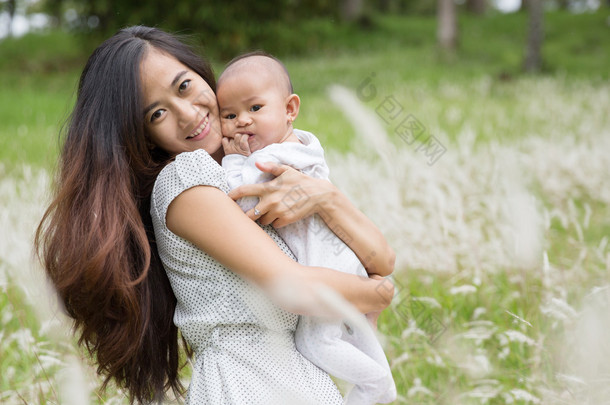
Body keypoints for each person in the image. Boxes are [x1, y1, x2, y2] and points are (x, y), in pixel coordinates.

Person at [35, 26, 396, 404]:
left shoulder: (252, 169)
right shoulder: (184, 181)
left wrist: (325, 197)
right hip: (247, 383)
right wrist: (378, 293)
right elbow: (295, 287)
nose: (188, 115)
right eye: (158, 113)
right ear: (141, 136)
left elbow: (383, 258)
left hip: (292, 378)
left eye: (184, 86)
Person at [217, 52, 397, 404]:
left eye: (255, 108)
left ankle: (376, 386)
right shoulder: (301, 147)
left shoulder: (278, 158)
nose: (242, 122)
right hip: (341, 265)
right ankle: (378, 380)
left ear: (289, 109)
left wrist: (234, 159)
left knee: (315, 342)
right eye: (230, 115)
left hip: (328, 270)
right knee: (358, 342)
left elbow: (247, 201)